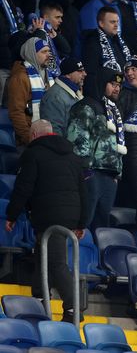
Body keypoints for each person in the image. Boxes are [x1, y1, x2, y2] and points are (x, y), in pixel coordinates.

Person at [6, 120, 86, 323]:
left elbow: (23, 187)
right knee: (43, 257)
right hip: (69, 216)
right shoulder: (73, 157)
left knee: (57, 263)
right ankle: (40, 299)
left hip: (48, 215)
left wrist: (12, 215)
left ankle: (73, 308)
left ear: (33, 136)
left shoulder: (32, 154)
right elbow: (85, 192)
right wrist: (82, 222)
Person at [66, 63, 124, 231]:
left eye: (119, 86)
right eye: (113, 84)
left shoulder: (113, 111)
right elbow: (77, 139)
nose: (117, 89)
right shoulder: (86, 106)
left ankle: (97, 257)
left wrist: (116, 174)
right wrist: (85, 171)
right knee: (84, 223)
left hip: (108, 176)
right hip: (91, 174)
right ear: (101, 83)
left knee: (102, 226)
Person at [7, 37, 54, 146]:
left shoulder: (47, 74)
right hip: (29, 141)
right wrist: (29, 139)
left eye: (49, 51)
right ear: (31, 54)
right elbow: (16, 112)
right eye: (43, 52)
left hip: (47, 138)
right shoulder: (20, 77)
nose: (48, 55)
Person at [81, 6, 131, 100]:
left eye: (117, 22)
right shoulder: (92, 43)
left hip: (120, 88)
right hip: (102, 94)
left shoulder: (118, 42)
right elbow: (91, 73)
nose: (116, 25)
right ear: (101, 23)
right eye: (112, 22)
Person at [39, 58, 85, 136]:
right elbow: (54, 131)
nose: (84, 74)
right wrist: (64, 148)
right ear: (68, 74)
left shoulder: (75, 91)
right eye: (80, 71)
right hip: (63, 146)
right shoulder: (54, 96)